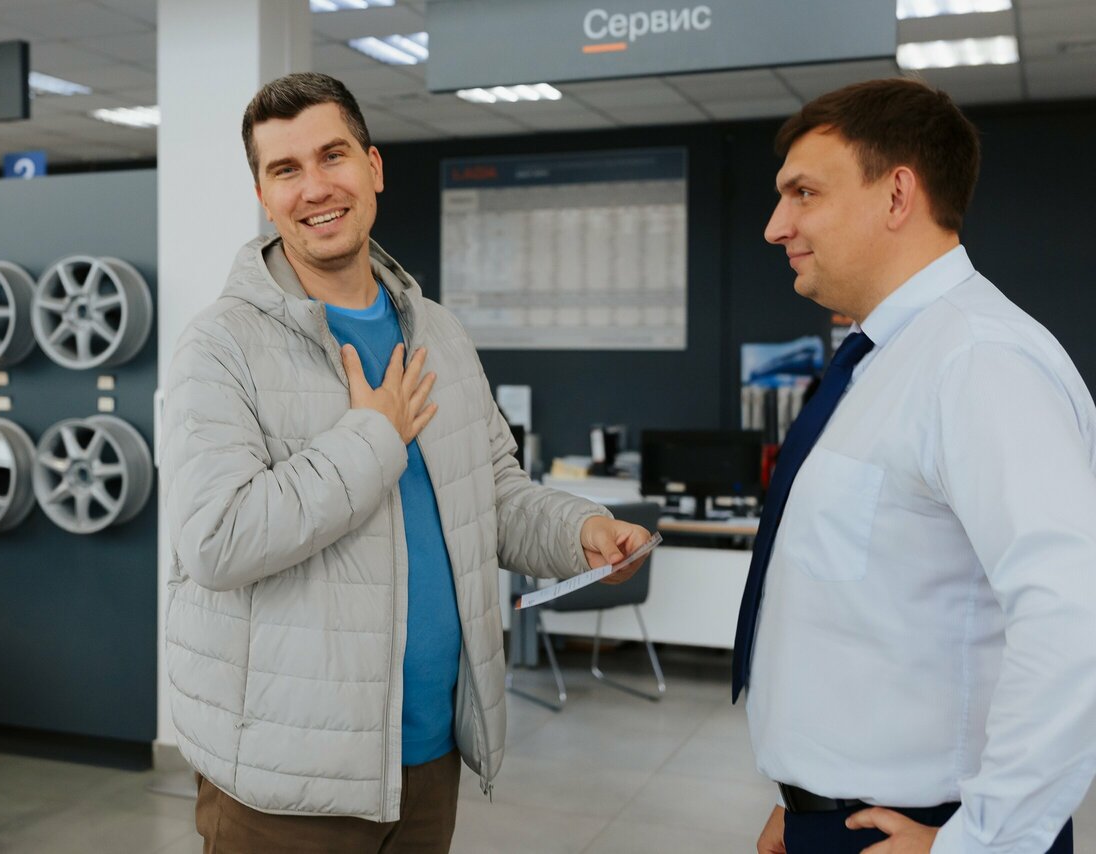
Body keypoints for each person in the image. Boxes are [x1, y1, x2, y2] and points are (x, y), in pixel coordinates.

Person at [160, 72, 652, 853]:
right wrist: (371, 438)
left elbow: (492, 492)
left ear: (374, 167)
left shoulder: (440, 335)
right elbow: (217, 540)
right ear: (262, 194)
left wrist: (579, 531)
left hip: (427, 760)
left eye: (333, 156)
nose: (315, 187)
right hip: (287, 783)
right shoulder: (220, 347)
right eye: (286, 170)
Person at [732, 77, 1096, 853]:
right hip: (838, 815)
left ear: (898, 195)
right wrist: (802, 797)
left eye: (803, 193)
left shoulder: (980, 360)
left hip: (927, 825)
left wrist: (981, 843)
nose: (775, 226)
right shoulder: (877, 361)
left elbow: (1074, 618)